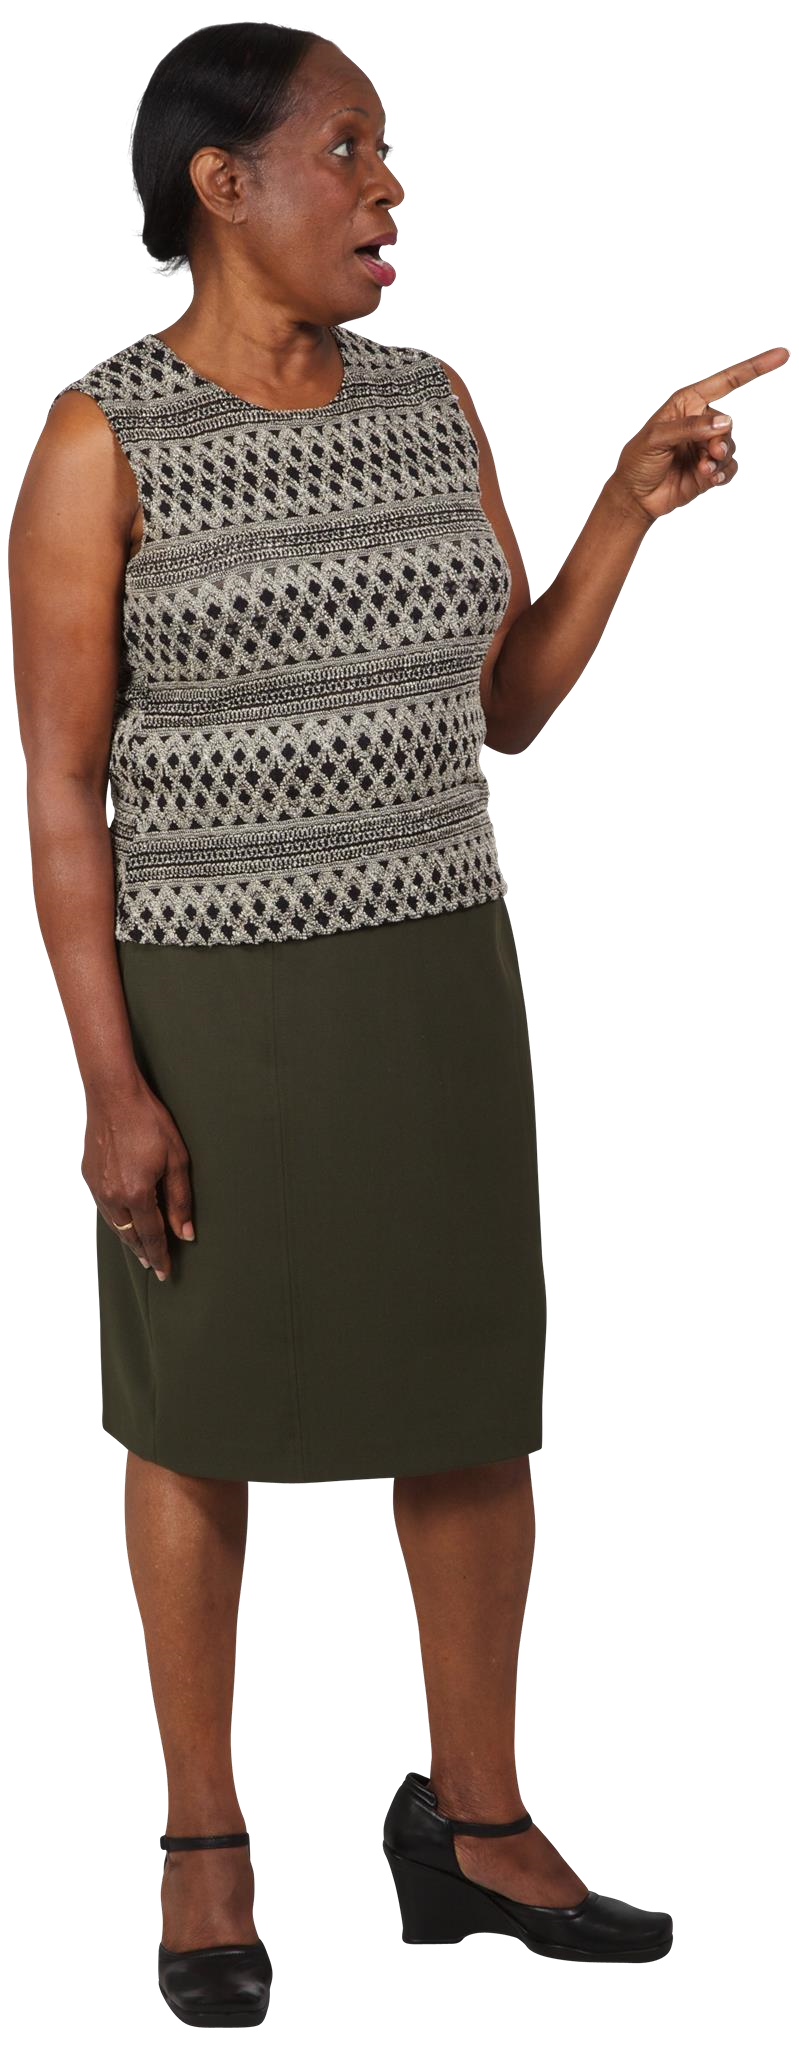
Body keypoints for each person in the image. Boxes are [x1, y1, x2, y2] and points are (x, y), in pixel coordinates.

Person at [8, 23, 672, 2021]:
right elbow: (61, 785)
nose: (390, 188)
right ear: (223, 185)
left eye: (388, 152)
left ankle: (475, 1822)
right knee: (199, 1410)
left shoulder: (430, 397)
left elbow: (507, 707)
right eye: (350, 149)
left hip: (439, 970)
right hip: (216, 998)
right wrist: (110, 1080)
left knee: (466, 1397)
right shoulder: (100, 438)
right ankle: (205, 1840)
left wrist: (623, 505)